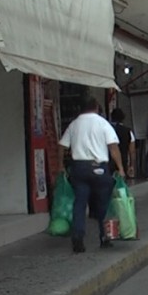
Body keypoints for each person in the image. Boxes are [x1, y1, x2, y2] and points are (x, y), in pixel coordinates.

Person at [58, 96, 124, 253]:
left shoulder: (74, 124)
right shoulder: (103, 123)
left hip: (79, 168)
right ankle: (105, 237)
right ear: (96, 107)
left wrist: (60, 165)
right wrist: (120, 167)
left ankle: (78, 237)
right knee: (103, 204)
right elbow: (113, 147)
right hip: (99, 168)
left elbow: (61, 145)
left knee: (80, 204)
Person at [109, 108, 135, 178]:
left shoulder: (108, 129)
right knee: (121, 184)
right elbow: (132, 151)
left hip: (109, 161)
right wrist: (131, 165)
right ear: (123, 118)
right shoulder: (128, 131)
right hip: (123, 160)